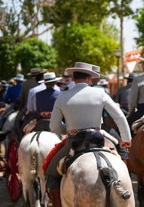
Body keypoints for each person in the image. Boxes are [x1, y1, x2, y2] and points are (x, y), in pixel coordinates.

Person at [46, 62, 131, 207]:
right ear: (90, 78)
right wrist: (126, 139)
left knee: (50, 173)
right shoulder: (100, 93)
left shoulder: (62, 96)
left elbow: (53, 126)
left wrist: (68, 130)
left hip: (73, 141)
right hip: (100, 139)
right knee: (121, 165)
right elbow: (119, 117)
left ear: (73, 78)